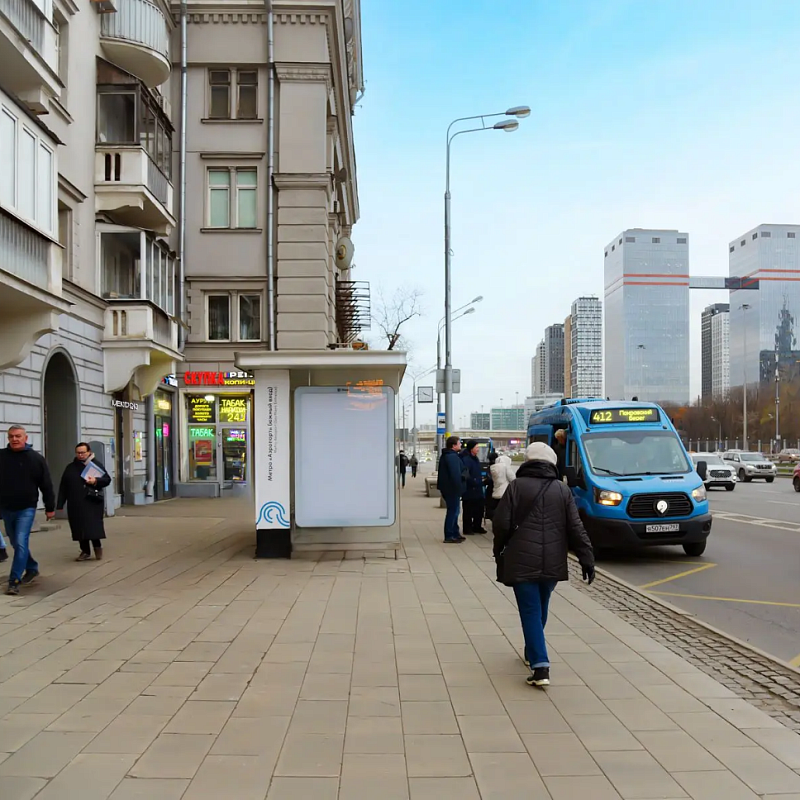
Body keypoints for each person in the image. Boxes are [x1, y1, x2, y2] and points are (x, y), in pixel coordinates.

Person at [493, 442, 595, 688]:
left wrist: (499, 550)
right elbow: (576, 527)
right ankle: (532, 651)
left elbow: (501, 523)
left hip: (521, 558)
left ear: (528, 461)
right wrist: (586, 557)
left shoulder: (516, 487)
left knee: (530, 610)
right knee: (540, 606)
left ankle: (540, 667)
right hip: (552, 560)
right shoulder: (561, 489)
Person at [0, 425, 55, 595]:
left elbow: (46, 484)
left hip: (26, 508)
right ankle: (32, 567)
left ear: (26, 438)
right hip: (6, 508)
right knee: (16, 543)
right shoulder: (2, 456)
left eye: (18, 436)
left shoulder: (36, 459)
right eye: (11, 436)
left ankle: (14, 581)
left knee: (20, 542)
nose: (14, 439)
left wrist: (50, 507)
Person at [57, 443, 111, 562]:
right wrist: (60, 503)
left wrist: (96, 481)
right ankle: (85, 551)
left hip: (92, 502)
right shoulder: (70, 467)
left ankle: (97, 547)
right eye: (78, 453)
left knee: (92, 527)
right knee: (79, 527)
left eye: (83, 453)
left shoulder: (95, 465)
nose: (80, 455)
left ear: (89, 452)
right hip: (75, 502)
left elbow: (107, 480)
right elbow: (63, 486)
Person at [436, 436, 466, 543]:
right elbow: (455, 475)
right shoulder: (452, 457)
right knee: (453, 511)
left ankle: (455, 532)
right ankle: (449, 535)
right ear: (453, 445)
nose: (460, 445)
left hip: (448, 488)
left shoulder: (448, 455)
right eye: (459, 443)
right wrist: (459, 488)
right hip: (452, 489)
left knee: (455, 511)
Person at [460, 440, 486, 534]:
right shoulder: (466, 460)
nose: (478, 449)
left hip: (478, 489)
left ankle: (477, 526)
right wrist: (474, 482)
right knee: (468, 510)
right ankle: (467, 528)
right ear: (471, 449)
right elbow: (466, 474)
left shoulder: (475, 458)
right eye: (476, 447)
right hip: (470, 489)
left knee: (479, 509)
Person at [486, 452, 516, 522]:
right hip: (504, 492)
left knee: (495, 508)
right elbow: (513, 479)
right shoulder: (505, 467)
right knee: (504, 510)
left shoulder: (493, 468)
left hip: (495, 492)